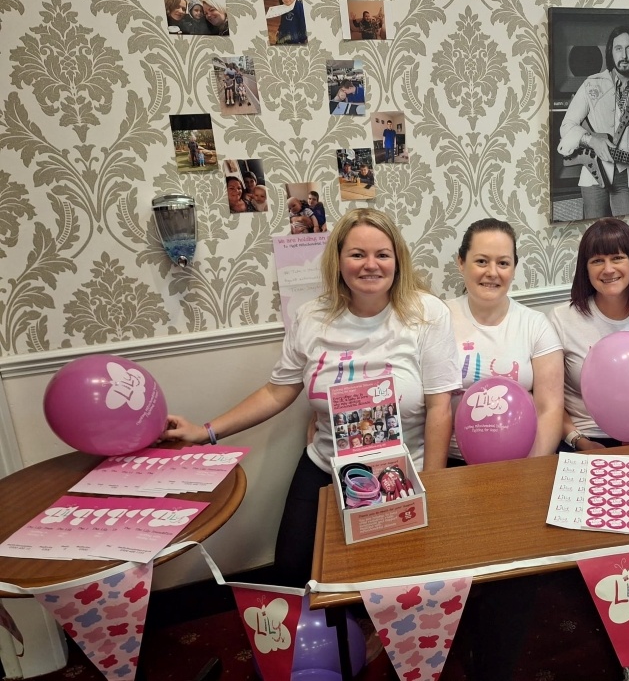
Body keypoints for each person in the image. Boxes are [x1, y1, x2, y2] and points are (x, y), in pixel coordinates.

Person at [161, 208, 462, 586]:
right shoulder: (311, 317)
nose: (370, 265)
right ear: (338, 260)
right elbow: (276, 392)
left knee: (390, 575)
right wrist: (204, 432)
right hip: (325, 467)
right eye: (357, 254)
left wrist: (432, 485)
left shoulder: (427, 313)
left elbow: (439, 407)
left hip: (401, 474)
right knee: (292, 574)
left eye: (382, 254)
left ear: (397, 260)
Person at [548, 217, 629, 680]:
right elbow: (549, 401)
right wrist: (581, 443)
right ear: (585, 268)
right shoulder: (562, 320)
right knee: (610, 525)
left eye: (617, 256)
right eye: (597, 258)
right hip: (586, 442)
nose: (608, 268)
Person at [446, 218, 564, 463]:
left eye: (503, 263)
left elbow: (549, 409)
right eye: (481, 261)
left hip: (522, 462)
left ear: (513, 268)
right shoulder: (439, 319)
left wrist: (530, 467)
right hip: (453, 462)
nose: (492, 272)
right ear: (461, 262)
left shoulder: (536, 324)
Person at [556, 26, 629, 219]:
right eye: (618, 48)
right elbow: (566, 127)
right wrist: (593, 141)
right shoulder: (592, 84)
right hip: (594, 174)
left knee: (627, 234)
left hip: (628, 177)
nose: (624, 55)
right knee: (594, 235)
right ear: (610, 52)